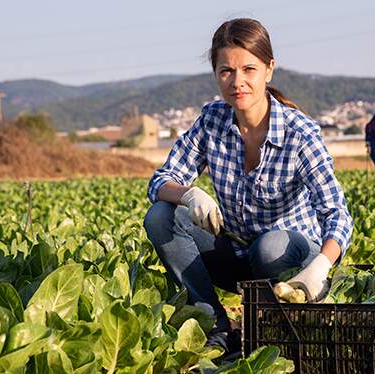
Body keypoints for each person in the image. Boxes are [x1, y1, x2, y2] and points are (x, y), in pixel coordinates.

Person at [142, 18, 353, 355]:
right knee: (160, 217)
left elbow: (337, 215)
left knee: (269, 248)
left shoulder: (300, 134)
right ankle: (217, 325)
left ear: (269, 70)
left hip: (292, 262)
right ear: (216, 74)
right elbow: (160, 181)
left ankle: (278, 319)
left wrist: (322, 266)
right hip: (237, 254)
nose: (237, 81)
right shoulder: (212, 120)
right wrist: (189, 193)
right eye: (226, 71)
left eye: (248, 69)